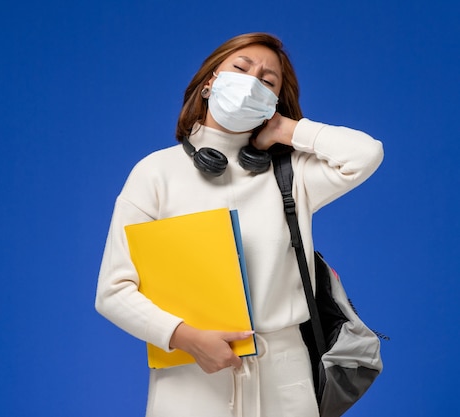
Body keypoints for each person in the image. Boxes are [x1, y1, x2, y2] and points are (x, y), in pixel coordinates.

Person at [95, 32, 383, 417]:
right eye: (241, 68)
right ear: (210, 81)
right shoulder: (155, 174)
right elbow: (113, 292)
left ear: (274, 101)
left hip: (285, 374)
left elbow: (366, 154)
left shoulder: (292, 176)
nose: (251, 83)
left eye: (267, 81)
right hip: (190, 375)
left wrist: (286, 130)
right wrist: (185, 337)